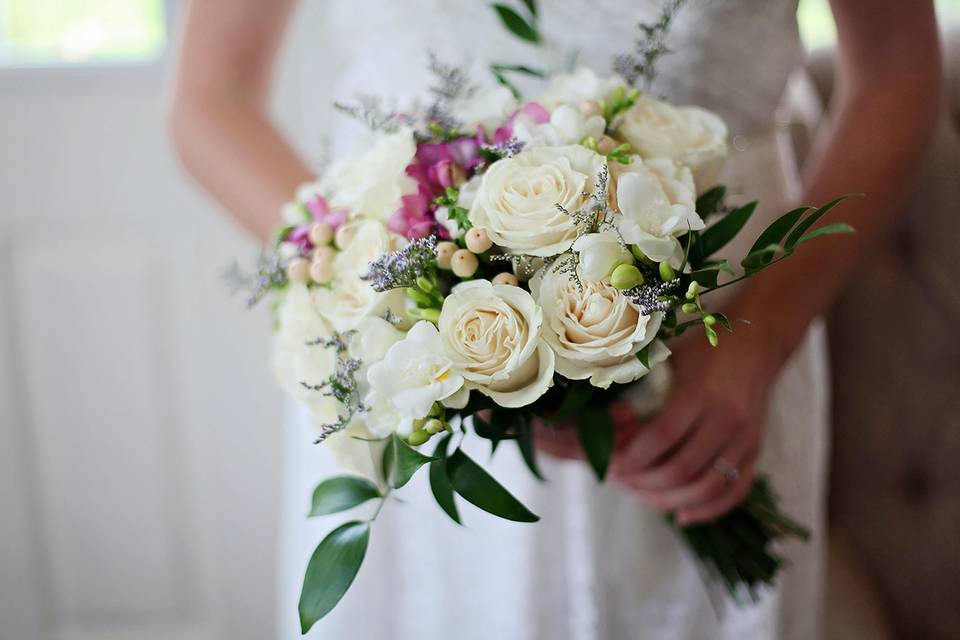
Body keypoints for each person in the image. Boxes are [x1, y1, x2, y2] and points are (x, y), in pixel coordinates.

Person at [169, 1, 941, 638]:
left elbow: (897, 71)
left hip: (726, 340)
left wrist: (758, 346)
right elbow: (211, 102)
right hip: (415, 362)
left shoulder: (745, 351)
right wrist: (401, 306)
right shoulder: (410, 325)